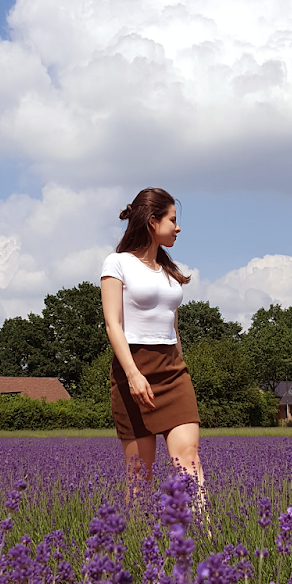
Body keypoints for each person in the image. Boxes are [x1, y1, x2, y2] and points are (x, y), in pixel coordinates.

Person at [100, 188, 204, 492]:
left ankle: (203, 534)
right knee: (140, 476)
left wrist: (181, 365)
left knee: (189, 458)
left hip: (173, 371)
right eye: (172, 220)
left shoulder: (169, 272)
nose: (178, 227)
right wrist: (133, 375)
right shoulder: (116, 263)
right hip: (134, 370)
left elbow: (173, 326)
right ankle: (139, 538)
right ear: (151, 220)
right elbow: (112, 323)